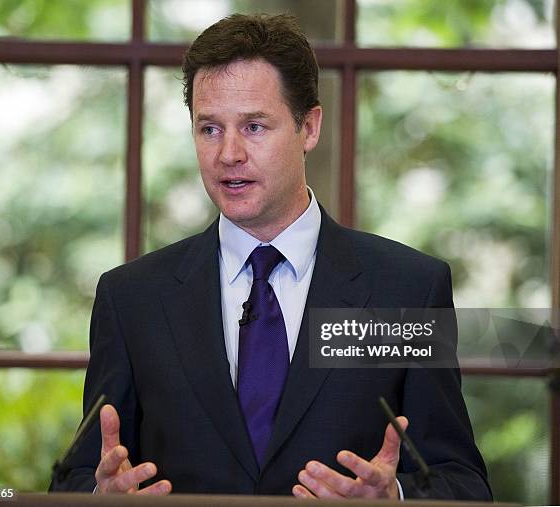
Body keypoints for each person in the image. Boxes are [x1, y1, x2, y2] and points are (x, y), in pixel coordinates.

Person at [50, 13, 492, 500]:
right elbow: (74, 477)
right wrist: (98, 497)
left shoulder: (407, 289)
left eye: (254, 126)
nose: (229, 154)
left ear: (309, 127)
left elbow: (463, 483)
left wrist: (395, 498)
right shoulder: (131, 299)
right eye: (209, 129)